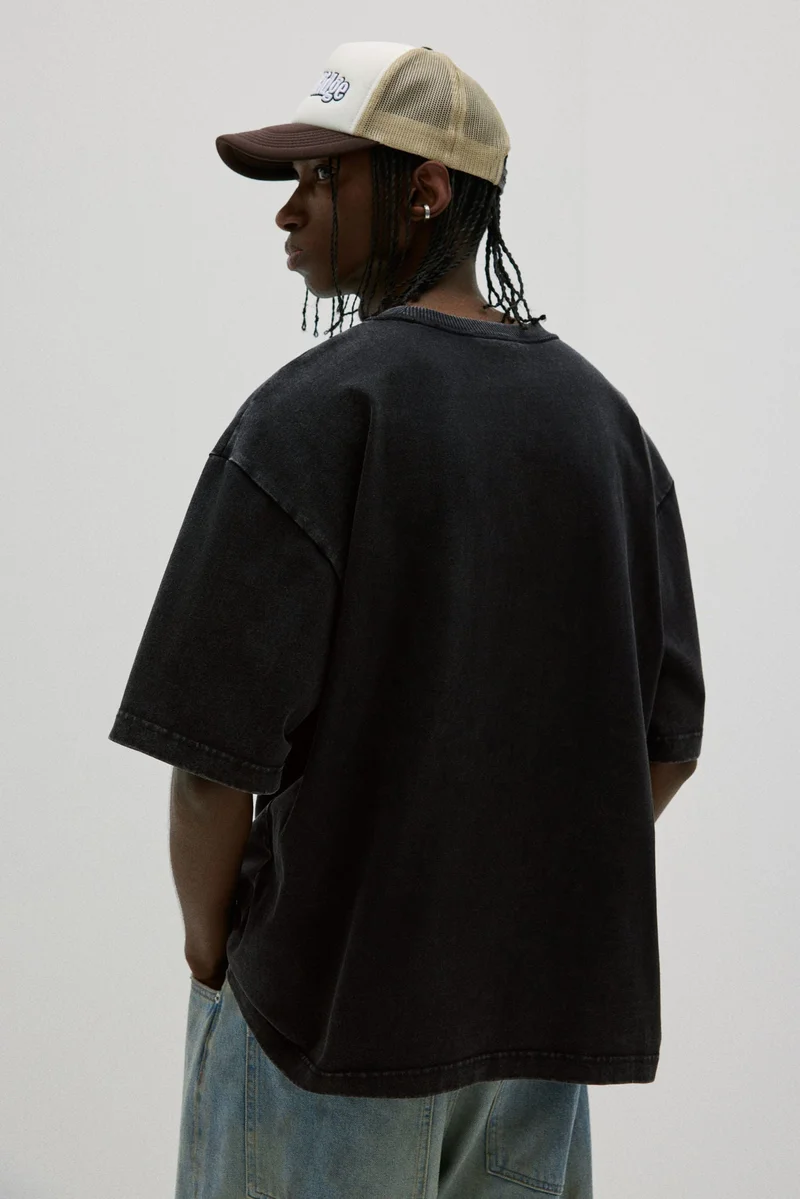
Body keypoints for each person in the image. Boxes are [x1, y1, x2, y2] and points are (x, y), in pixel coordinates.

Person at [108, 42, 704, 1199]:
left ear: (421, 189)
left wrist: (212, 951)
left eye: (320, 177)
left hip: (321, 1027)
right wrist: (505, 889)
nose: (286, 210)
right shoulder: (605, 430)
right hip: (531, 1043)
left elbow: (207, 770)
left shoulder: (310, 416)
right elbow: (664, 745)